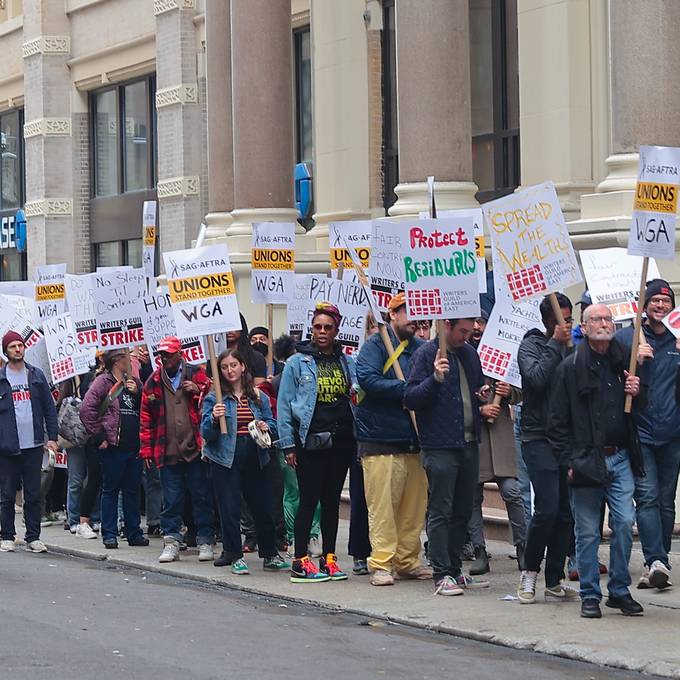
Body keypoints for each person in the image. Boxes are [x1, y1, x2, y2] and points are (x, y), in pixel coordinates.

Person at [549, 303, 645, 618]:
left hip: (619, 458)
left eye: (608, 319)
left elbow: (636, 411)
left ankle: (619, 590)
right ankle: (590, 594)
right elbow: (557, 422)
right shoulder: (570, 366)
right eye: (596, 319)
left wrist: (636, 390)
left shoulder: (624, 362)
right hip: (586, 460)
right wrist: (570, 461)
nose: (604, 323)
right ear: (585, 326)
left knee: (623, 523)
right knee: (588, 531)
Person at [404, 318, 490, 596]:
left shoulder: (469, 354)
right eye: (462, 331)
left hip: (468, 442)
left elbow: (473, 391)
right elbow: (411, 398)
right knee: (441, 508)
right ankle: (441, 572)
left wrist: (482, 395)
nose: (467, 336)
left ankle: (454, 569)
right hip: (440, 444)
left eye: (470, 331)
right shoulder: (426, 354)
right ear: (447, 326)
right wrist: (435, 379)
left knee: (463, 509)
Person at [354, 292, 430, 585]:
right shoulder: (375, 346)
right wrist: (406, 391)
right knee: (383, 507)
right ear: (393, 314)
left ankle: (408, 559)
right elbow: (368, 379)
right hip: (380, 438)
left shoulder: (422, 348)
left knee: (413, 508)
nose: (414, 318)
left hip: (413, 439)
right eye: (406, 311)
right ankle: (382, 563)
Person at [278, 302, 357, 583]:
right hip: (309, 441)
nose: (322, 332)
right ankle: (300, 560)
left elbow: (356, 393)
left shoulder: (346, 361)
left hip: (341, 440)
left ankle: (329, 558)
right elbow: (285, 405)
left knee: (332, 501)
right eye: (317, 327)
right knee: (309, 500)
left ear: (336, 330)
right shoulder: (297, 363)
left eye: (328, 327)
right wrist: (288, 444)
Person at [200, 348, 289, 574]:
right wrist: (213, 418)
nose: (230, 370)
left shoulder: (259, 397)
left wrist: (266, 426)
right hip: (225, 457)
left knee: (262, 506)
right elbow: (205, 433)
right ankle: (235, 555)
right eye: (224, 367)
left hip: (255, 455)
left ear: (243, 367)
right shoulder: (214, 398)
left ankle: (269, 554)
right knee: (229, 507)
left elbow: (274, 425)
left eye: (233, 365)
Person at [615, 279, 679, 591]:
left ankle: (659, 561)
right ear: (644, 304)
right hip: (640, 433)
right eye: (655, 300)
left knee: (666, 501)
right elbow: (611, 381)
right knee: (648, 497)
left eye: (666, 301)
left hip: (673, 433)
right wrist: (634, 361)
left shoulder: (678, 338)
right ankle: (655, 559)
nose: (660, 306)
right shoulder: (627, 338)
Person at [516, 293, 574, 603]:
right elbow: (536, 379)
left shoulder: (572, 349)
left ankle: (555, 577)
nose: (566, 326)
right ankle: (529, 572)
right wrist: (555, 343)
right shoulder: (531, 345)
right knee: (547, 507)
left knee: (566, 512)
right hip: (537, 437)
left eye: (569, 319)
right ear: (548, 322)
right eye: (560, 321)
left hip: (566, 439)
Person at [140, 336, 215, 563]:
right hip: (167, 450)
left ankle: (205, 540)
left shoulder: (196, 373)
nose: (165, 359)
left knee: (201, 496)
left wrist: (199, 390)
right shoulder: (153, 381)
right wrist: (146, 450)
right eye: (162, 355)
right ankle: (171, 541)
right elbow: (145, 419)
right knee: (171, 500)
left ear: (180, 354)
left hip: (195, 449)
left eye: (169, 354)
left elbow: (214, 396)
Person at [80, 349, 149, 549]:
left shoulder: (134, 382)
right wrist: (99, 436)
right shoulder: (103, 382)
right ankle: (109, 533)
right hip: (112, 445)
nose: (131, 361)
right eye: (127, 357)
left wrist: (138, 392)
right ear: (118, 360)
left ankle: (133, 532)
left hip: (134, 444)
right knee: (110, 489)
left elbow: (145, 407)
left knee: (132, 490)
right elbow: (86, 409)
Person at [0, 331, 58, 553]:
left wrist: (51, 438)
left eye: (20, 345)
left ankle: (33, 537)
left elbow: (49, 409)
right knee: (6, 494)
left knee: (33, 494)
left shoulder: (36, 376)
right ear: (6, 351)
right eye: (13, 346)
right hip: (8, 447)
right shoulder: (2, 378)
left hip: (33, 444)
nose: (18, 349)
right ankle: (7, 535)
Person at [468, 379, 526, 575]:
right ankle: (479, 551)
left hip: (501, 432)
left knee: (512, 491)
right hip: (473, 434)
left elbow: (521, 389)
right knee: (473, 497)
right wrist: (479, 410)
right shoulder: (464, 353)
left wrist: (509, 392)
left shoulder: (503, 352)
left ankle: (522, 546)